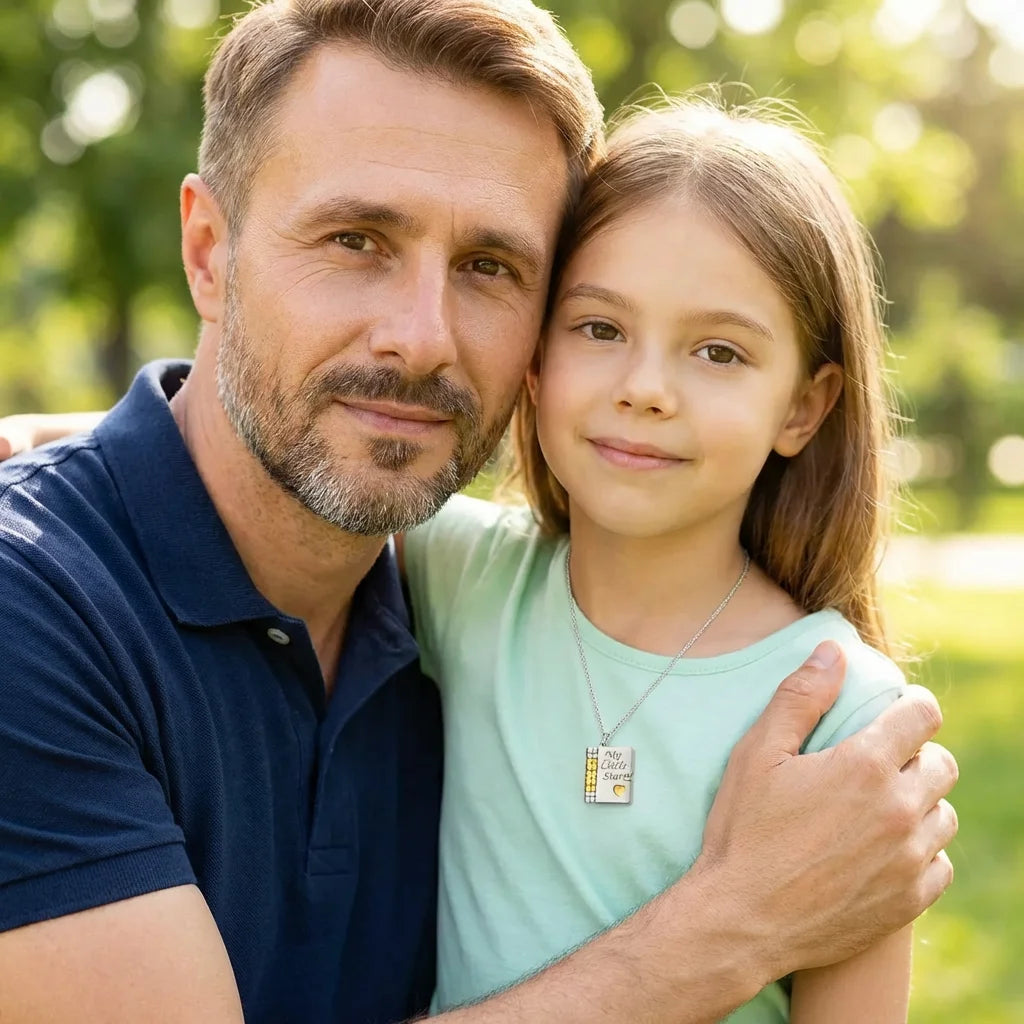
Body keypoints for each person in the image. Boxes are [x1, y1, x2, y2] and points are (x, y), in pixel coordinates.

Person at [0, 2, 957, 1023]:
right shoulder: (38, 615)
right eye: (355, 238)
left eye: (490, 268)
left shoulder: (420, 583)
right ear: (208, 252)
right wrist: (731, 926)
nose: (421, 338)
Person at [402, 96, 920, 1022]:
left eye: (718, 352)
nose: (645, 389)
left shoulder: (848, 719)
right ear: (534, 357)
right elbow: (226, 460)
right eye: (599, 329)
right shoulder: (456, 575)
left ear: (804, 407)